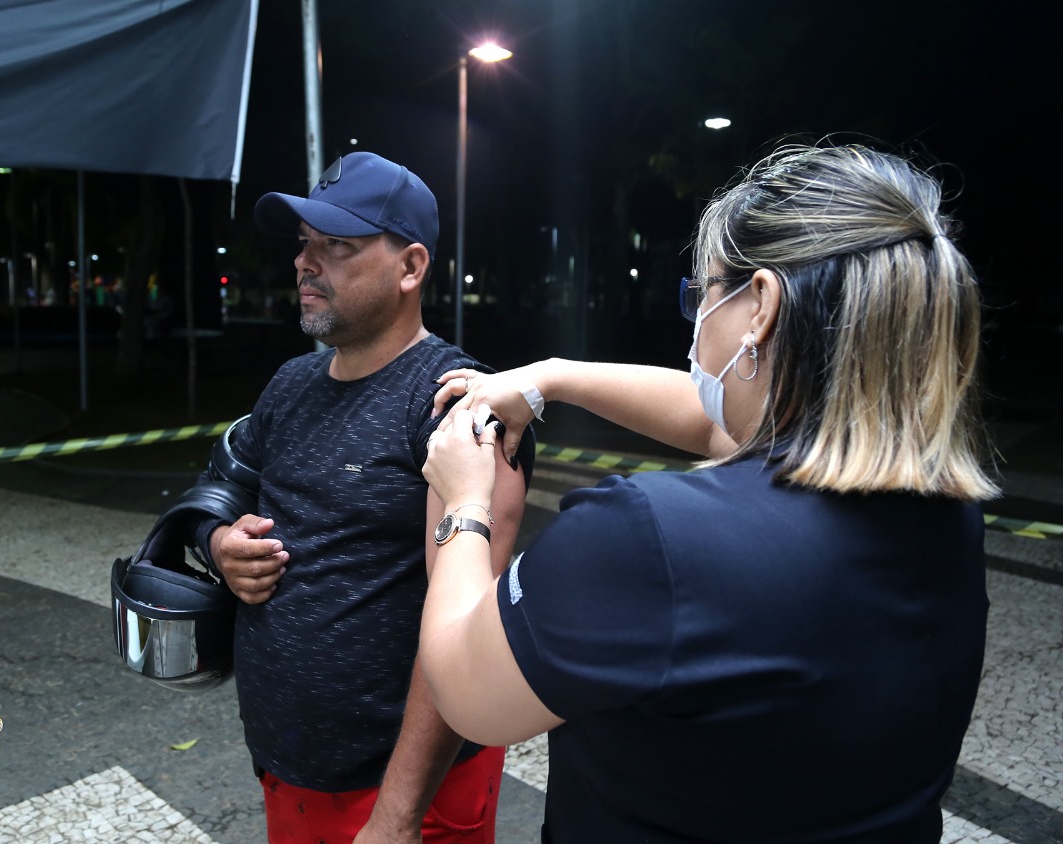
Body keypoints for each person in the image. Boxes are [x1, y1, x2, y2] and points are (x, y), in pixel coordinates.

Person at [418, 144, 997, 842]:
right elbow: (720, 421)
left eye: (703, 293)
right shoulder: (947, 512)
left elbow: (464, 690)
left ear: (759, 305)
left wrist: (465, 505)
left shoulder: (649, 537)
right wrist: (549, 378)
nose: (694, 324)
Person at [157, 151, 534, 843]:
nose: (306, 261)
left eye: (338, 245)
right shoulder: (290, 384)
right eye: (305, 243)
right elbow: (219, 492)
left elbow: (468, 632)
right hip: (291, 770)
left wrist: (396, 817)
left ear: (410, 267)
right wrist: (221, 545)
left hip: (409, 797)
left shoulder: (458, 402)